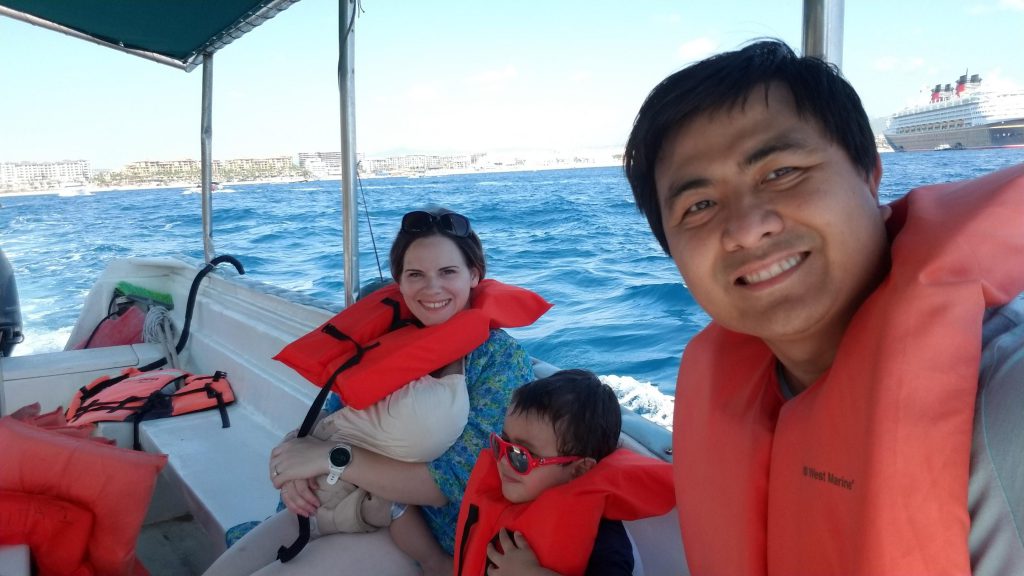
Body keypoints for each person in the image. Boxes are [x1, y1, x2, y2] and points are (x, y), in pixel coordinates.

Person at [623, 38, 1024, 574]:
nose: (746, 227)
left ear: (869, 175)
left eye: (781, 172)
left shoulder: (1006, 403)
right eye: (699, 206)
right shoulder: (734, 392)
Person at [203, 208, 539, 575]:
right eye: (415, 275)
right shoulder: (382, 341)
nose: (432, 288)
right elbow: (335, 420)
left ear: (474, 275)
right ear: (399, 280)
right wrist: (293, 463)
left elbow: (452, 483)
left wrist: (329, 458)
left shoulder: (499, 362)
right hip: (338, 498)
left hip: (427, 530)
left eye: (448, 272)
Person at [454, 369, 674, 576]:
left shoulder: (604, 542)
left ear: (578, 470)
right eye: (501, 444)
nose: (502, 461)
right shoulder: (513, 491)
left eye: (521, 455)